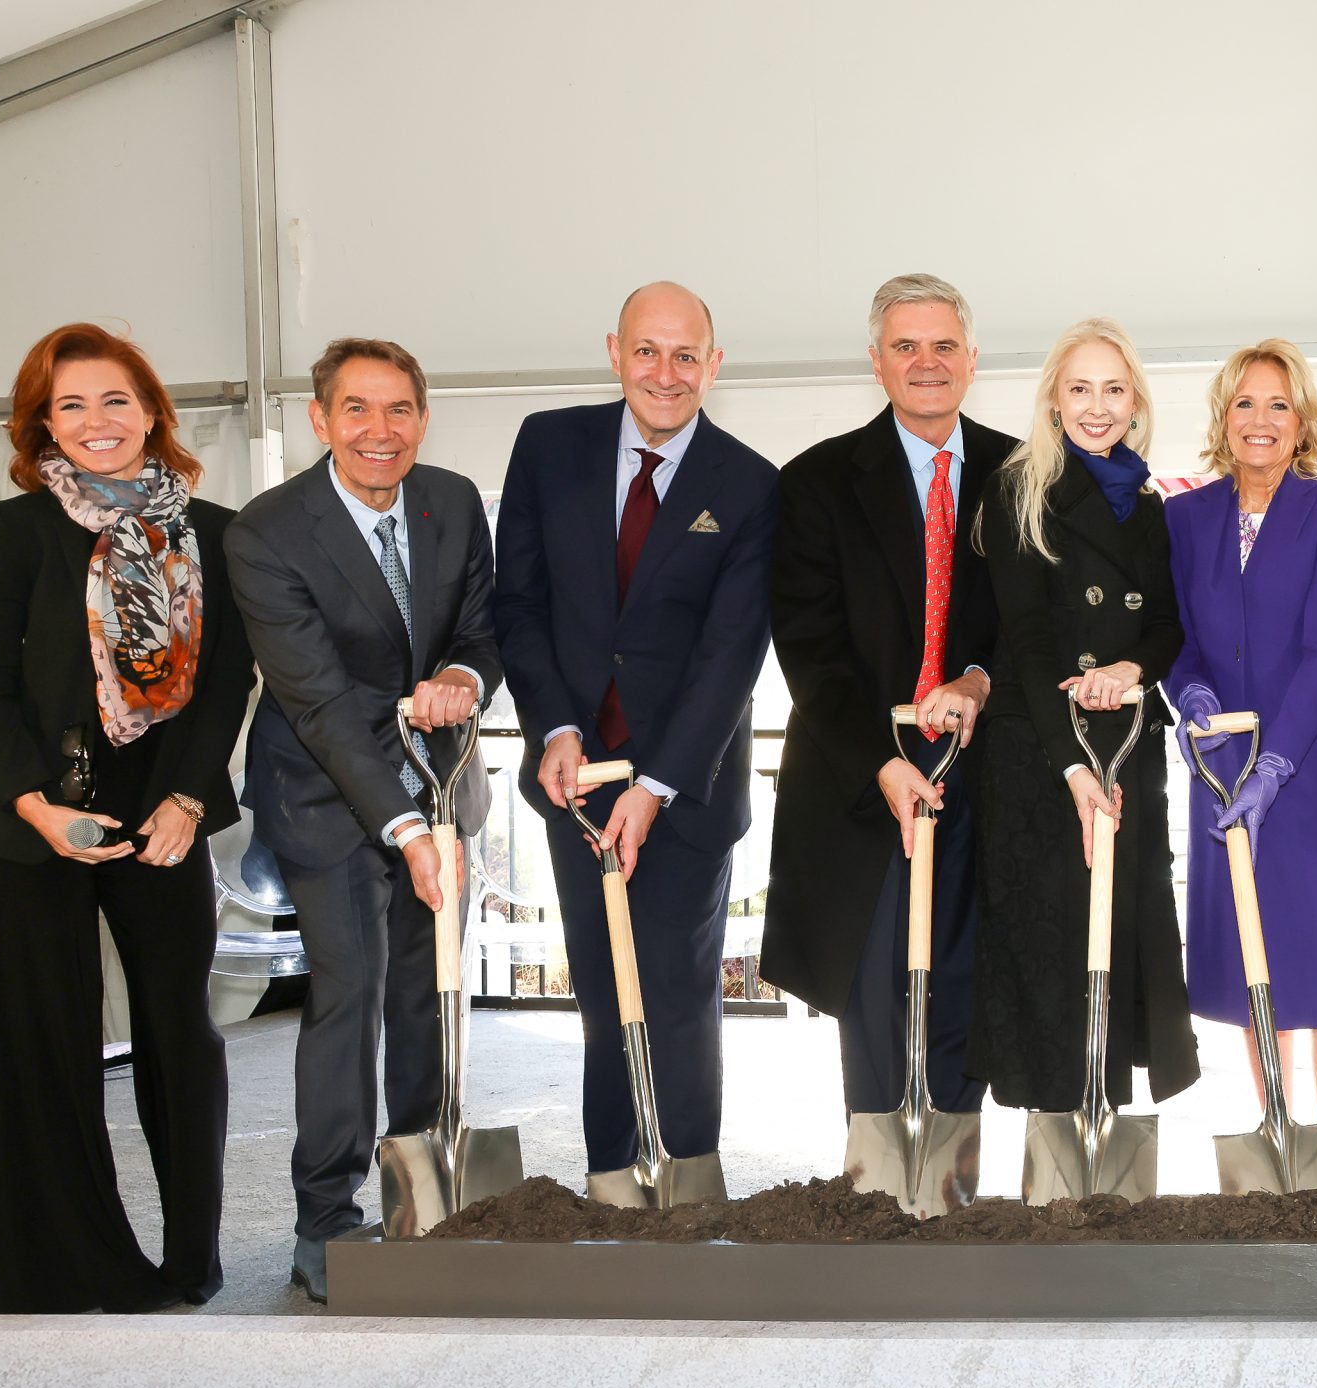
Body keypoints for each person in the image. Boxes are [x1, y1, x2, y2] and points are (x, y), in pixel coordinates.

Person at [0, 323, 254, 1312]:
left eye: (115, 400)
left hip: (162, 812)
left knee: (180, 1034)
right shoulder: (16, 528)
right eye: (71, 404)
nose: (96, 422)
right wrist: (36, 806)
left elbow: (224, 685)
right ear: (43, 422)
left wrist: (188, 796)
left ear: (153, 411)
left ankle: (190, 1262)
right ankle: (66, 1269)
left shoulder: (215, 531)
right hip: (40, 818)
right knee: (45, 1041)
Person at [227, 338, 501, 1301]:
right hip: (326, 792)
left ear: (422, 418)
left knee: (430, 990)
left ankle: (418, 1186)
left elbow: (478, 626)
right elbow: (320, 704)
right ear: (320, 418)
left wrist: (464, 678)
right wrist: (405, 829)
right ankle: (327, 1220)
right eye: (357, 410)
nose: (378, 432)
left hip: (439, 776)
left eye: (398, 412)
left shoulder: (454, 502)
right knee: (349, 993)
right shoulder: (267, 533)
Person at [492, 283, 777, 1192]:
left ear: (714, 364)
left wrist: (655, 788)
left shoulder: (749, 484)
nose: (666, 373)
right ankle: (614, 1178)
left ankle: (690, 1182)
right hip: (574, 775)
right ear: (615, 351)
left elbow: (732, 653)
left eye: (686, 355)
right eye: (648, 352)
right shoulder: (549, 446)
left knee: (680, 991)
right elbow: (521, 604)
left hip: (687, 786)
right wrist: (556, 728)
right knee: (602, 993)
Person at [760, 275, 1013, 1119]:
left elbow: (1037, 630)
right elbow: (809, 649)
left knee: (968, 994)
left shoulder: (1024, 477)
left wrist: (981, 677)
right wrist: (882, 761)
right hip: (861, 786)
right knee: (874, 1012)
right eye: (906, 346)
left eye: (944, 345)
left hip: (986, 785)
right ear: (876, 362)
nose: (927, 362)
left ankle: (955, 1200)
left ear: (972, 360)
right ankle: (877, 1207)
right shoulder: (816, 483)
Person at [1164, 339, 1317, 1134]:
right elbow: (1173, 635)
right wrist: (1189, 691)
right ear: (1222, 417)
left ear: (1302, 419)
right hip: (1225, 761)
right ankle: (1278, 1136)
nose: (1261, 420)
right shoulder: (1184, 517)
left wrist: (1278, 760)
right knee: (1251, 948)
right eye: (1245, 403)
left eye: (1278, 404)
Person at [966, 318, 1198, 1112]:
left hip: (1128, 745)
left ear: (1134, 402)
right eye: (1079, 389)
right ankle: (1055, 1154)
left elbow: (1166, 624)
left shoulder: (1148, 502)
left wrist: (1134, 667)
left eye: (1113, 389)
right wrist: (1069, 764)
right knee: (1048, 952)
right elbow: (1026, 642)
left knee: (1120, 943)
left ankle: (1108, 1138)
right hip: (1041, 757)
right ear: (1053, 402)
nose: (1097, 407)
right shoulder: (1016, 490)